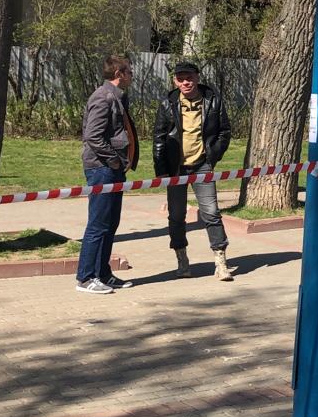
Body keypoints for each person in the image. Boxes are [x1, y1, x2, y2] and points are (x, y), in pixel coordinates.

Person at [153, 61, 234, 280]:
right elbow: (159, 137)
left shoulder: (213, 100)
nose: (186, 83)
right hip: (175, 169)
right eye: (181, 79)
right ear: (175, 81)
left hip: (202, 165)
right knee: (176, 215)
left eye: (189, 78)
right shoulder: (168, 103)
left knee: (211, 212)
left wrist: (213, 154)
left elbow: (224, 131)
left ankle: (220, 261)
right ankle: (182, 261)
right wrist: (161, 169)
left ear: (197, 78)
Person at [77, 55, 138, 294]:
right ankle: (86, 277)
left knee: (110, 223)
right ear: (119, 74)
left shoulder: (118, 97)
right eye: (129, 71)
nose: (132, 75)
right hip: (101, 169)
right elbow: (93, 136)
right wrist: (113, 160)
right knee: (98, 224)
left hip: (114, 169)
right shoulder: (102, 97)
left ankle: (103, 274)